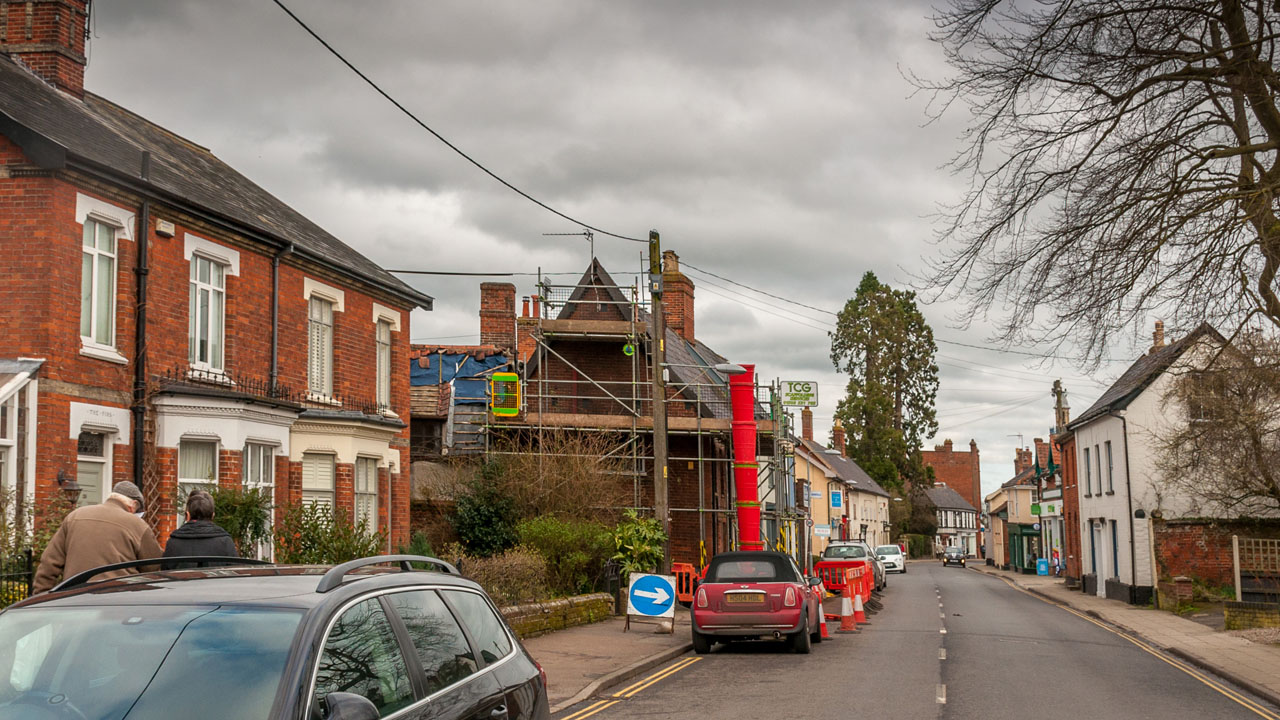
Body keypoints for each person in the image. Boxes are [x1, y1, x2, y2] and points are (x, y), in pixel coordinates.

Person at [32, 480, 163, 594]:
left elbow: (49, 562)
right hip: (120, 599)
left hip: (75, 596)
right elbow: (153, 567)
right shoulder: (138, 524)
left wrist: (41, 596)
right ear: (134, 504)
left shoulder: (75, 516)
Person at [162, 490, 238, 567]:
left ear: (187, 515)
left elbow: (164, 573)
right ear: (213, 516)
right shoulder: (225, 542)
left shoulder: (173, 543)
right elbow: (236, 572)